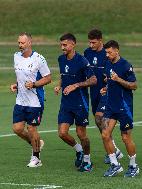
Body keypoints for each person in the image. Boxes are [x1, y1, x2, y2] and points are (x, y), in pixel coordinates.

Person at [54, 33, 97, 172]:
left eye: (65, 45)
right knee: (62, 133)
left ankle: (87, 161)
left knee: (81, 134)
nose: (62, 48)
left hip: (80, 103)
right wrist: (59, 85)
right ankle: (79, 150)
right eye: (61, 45)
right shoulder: (61, 59)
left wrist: (76, 85)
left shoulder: (82, 61)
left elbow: (93, 80)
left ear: (73, 44)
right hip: (66, 103)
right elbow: (63, 75)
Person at [11, 32, 51, 167]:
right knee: (17, 129)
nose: (20, 45)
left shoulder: (39, 59)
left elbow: (48, 78)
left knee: (32, 129)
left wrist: (34, 84)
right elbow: (20, 76)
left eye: (22, 43)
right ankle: (37, 144)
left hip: (35, 101)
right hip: (20, 100)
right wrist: (16, 85)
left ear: (29, 43)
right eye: (19, 43)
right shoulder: (16, 57)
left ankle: (36, 157)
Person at [84, 29, 123, 164]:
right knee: (99, 121)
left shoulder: (107, 54)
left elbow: (113, 69)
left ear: (100, 40)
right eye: (89, 42)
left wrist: (109, 80)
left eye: (93, 42)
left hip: (106, 92)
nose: (91, 45)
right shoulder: (87, 53)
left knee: (100, 118)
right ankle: (113, 150)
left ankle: (113, 152)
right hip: (94, 92)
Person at [101, 40, 139, 177]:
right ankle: (114, 164)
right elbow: (110, 81)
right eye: (106, 52)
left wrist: (119, 80)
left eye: (109, 52)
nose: (107, 54)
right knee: (105, 135)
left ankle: (133, 165)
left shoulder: (125, 65)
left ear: (117, 51)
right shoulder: (107, 64)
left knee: (125, 138)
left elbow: (134, 85)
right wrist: (106, 88)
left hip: (124, 107)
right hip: (111, 106)